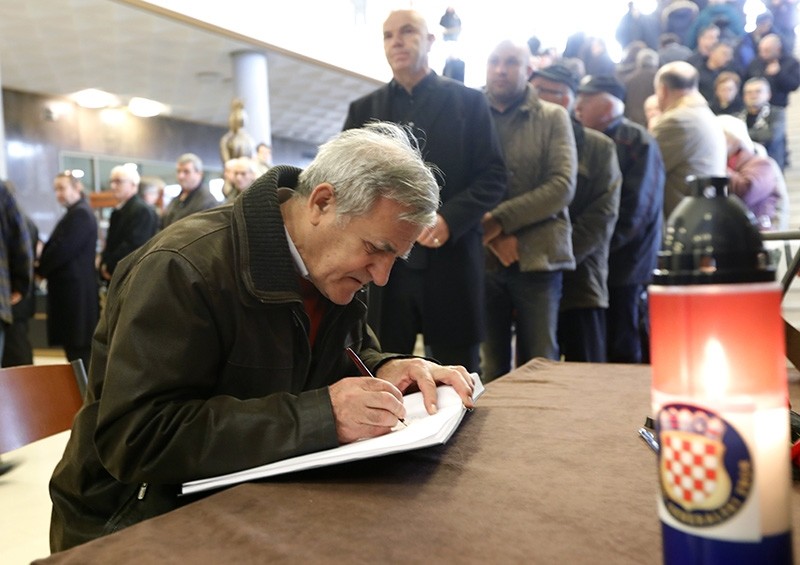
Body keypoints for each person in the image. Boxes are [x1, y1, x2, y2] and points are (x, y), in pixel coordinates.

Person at [49, 122, 477, 551]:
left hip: (253, 489)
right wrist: (321, 416)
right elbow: (137, 439)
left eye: (395, 258)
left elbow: (344, 350)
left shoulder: (328, 266)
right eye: (375, 249)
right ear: (322, 203)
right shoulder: (181, 267)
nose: (382, 277)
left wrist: (388, 365)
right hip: (133, 518)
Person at [342, 9, 506, 373]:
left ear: (430, 40)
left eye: (407, 32)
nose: (396, 41)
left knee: (459, 371)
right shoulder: (363, 110)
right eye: (388, 35)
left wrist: (450, 219)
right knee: (384, 369)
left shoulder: (470, 102)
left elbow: (493, 176)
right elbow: (346, 179)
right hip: (384, 268)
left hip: (451, 260)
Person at [479, 42, 577, 380]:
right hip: (483, 259)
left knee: (540, 365)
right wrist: (492, 238)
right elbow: (458, 182)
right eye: (494, 61)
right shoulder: (469, 112)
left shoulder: (553, 116)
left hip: (539, 259)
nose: (501, 69)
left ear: (528, 71)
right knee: (491, 368)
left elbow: (561, 186)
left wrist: (499, 221)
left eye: (511, 63)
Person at [530, 64, 622, 363]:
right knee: (535, 369)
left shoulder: (599, 147)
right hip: (531, 276)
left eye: (545, 91)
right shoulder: (527, 143)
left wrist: (557, 256)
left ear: (569, 100)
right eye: (532, 90)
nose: (535, 98)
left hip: (581, 280)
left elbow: (602, 217)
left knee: (587, 375)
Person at [575, 75, 664, 364]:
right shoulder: (582, 138)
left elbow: (636, 210)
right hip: (596, 258)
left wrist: (600, 245)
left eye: (587, 100)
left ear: (608, 105)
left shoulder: (636, 140)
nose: (578, 106)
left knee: (625, 339)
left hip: (628, 261)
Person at [36, 171, 98, 372]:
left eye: (62, 188)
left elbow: (62, 250)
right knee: (74, 354)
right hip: (71, 295)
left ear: (77, 187)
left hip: (76, 297)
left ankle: (87, 401)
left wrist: (41, 268)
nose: (58, 194)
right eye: (56, 189)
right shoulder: (74, 213)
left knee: (79, 356)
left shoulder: (80, 214)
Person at [651, 61, 727, 218]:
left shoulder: (677, 120)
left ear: (663, 90)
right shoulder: (703, 114)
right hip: (704, 213)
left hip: (685, 220)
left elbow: (643, 167)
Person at [717, 114, 787, 230]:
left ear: (735, 138)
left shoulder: (761, 163)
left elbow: (747, 193)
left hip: (758, 236)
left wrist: (719, 167)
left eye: (720, 135)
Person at [99, 165, 158, 282]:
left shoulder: (142, 210)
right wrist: (104, 262)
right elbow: (111, 242)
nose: (113, 186)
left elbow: (134, 246)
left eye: (118, 181)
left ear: (133, 185)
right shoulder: (119, 209)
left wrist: (110, 266)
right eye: (112, 181)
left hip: (131, 276)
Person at [2, 188, 39, 367]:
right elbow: (23, 253)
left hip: (11, 298)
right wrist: (21, 285)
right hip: (7, 295)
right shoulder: (22, 219)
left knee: (17, 349)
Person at [738, 76, 787, 170]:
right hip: (745, 169)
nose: (753, 95)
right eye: (749, 92)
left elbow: (772, 135)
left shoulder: (777, 113)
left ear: (768, 94)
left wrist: (742, 135)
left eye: (758, 91)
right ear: (744, 97)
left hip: (771, 168)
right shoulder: (738, 117)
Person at [161, 153, 218, 228]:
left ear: (199, 174)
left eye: (186, 172)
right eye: (178, 171)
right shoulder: (176, 200)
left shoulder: (207, 202)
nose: (181, 176)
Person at [744, 33, 800, 109]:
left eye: (767, 51)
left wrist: (779, 73)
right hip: (755, 106)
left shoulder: (790, 62)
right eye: (761, 50)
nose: (763, 54)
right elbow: (746, 81)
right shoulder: (755, 63)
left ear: (777, 49)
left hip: (778, 106)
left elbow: (794, 85)